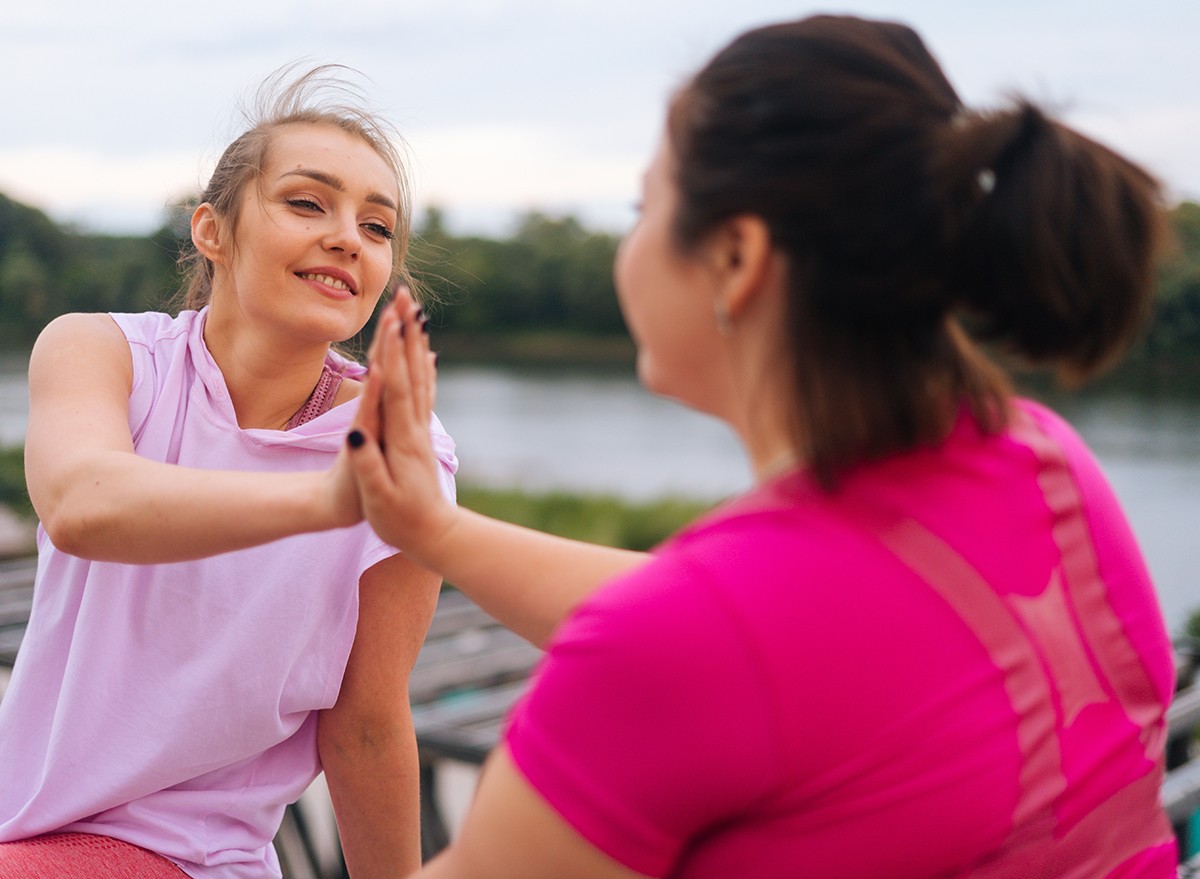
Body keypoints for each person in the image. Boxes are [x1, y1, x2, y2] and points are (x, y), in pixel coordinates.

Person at [346, 14, 1178, 878]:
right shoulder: (1047, 465)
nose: (630, 243)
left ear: (737, 258)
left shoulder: (697, 637)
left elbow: (701, 637)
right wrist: (433, 529)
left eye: (643, 208)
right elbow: (756, 633)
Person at [0, 66, 458, 878]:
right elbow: (82, 503)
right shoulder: (103, 353)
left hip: (190, 856)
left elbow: (366, 723)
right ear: (212, 230)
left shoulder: (398, 443)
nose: (348, 237)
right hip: (25, 827)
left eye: (377, 226)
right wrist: (326, 499)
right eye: (307, 203)